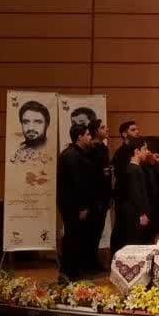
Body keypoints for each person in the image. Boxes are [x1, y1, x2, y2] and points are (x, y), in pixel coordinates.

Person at [56, 124, 95, 279]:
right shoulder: (73, 156)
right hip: (74, 205)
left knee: (74, 237)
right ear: (79, 137)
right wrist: (82, 207)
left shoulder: (72, 153)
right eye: (88, 134)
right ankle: (69, 273)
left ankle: (72, 271)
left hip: (71, 204)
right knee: (73, 238)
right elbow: (77, 183)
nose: (90, 137)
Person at [110, 120, 142, 253]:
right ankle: (116, 256)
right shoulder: (121, 153)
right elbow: (122, 177)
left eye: (137, 129)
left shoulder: (135, 150)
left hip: (133, 197)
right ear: (124, 134)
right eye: (133, 130)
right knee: (121, 230)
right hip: (124, 197)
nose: (137, 132)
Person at [83, 118, 111, 273]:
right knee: (91, 231)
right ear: (95, 131)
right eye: (102, 128)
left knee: (98, 231)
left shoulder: (104, 148)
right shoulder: (91, 149)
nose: (106, 130)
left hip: (104, 195)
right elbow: (88, 173)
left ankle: (93, 261)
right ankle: (88, 263)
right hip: (94, 197)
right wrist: (102, 172)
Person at [117, 138, 153, 246]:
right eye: (145, 149)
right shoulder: (133, 170)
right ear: (137, 151)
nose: (147, 151)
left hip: (135, 213)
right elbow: (136, 193)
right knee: (134, 243)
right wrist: (142, 213)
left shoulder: (136, 168)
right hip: (134, 215)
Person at [142, 136, 159, 243]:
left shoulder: (156, 167)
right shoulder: (143, 169)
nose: (158, 160)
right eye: (156, 156)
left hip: (158, 210)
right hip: (149, 212)